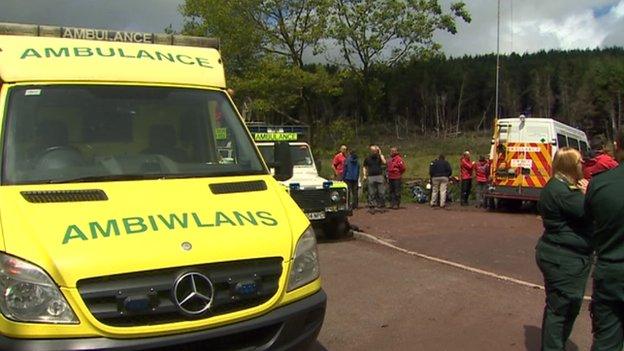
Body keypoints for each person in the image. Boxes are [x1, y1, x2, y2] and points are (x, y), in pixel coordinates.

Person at [535, 147, 592, 351]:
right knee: (561, 309)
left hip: (563, 254)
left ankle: (555, 345)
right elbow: (590, 211)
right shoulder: (562, 191)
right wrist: (588, 193)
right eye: (579, 162)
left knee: (564, 307)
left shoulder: (561, 187)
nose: (582, 165)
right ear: (569, 165)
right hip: (563, 257)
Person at [585, 129, 624, 350]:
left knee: (606, 340)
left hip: (610, 271)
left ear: (617, 146)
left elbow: (588, 223)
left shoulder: (599, 184)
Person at [363, 145, 386, 212]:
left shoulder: (379, 157)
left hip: (379, 176)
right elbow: (364, 166)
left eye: (375, 150)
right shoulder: (367, 158)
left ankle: (381, 205)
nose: (374, 152)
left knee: (381, 192)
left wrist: (380, 153)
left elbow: (384, 162)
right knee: (371, 192)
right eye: (373, 151)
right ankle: (372, 206)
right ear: (371, 151)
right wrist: (364, 175)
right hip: (371, 176)